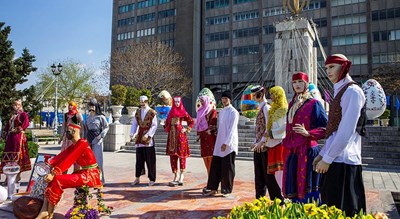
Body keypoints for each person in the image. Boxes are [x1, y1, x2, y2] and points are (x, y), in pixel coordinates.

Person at [314, 54, 366, 216]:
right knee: (330, 209)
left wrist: (327, 158)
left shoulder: (352, 91)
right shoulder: (340, 91)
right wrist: (322, 154)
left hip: (344, 162)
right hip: (335, 160)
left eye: (332, 67)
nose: (328, 71)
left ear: (343, 67)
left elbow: (346, 131)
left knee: (344, 211)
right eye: (327, 67)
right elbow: (334, 130)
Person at [35, 118, 102, 219]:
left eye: (67, 131)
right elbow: (63, 156)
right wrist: (49, 164)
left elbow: (69, 160)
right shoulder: (74, 145)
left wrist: (54, 174)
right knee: (54, 181)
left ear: (74, 131)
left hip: (90, 175)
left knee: (57, 179)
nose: (66, 133)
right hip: (83, 172)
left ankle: (49, 213)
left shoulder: (82, 143)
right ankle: (45, 210)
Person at [282, 72, 328, 203]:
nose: (297, 85)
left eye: (300, 82)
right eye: (294, 82)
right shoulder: (292, 104)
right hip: (293, 151)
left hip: (307, 151)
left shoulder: (314, 103)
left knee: (307, 188)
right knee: (293, 187)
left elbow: (326, 127)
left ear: (306, 84)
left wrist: (308, 133)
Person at [203, 91, 239, 197]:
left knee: (227, 168)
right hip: (219, 143)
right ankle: (213, 188)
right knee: (216, 167)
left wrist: (226, 143)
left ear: (230, 100)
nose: (224, 101)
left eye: (226, 99)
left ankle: (226, 189)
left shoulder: (234, 112)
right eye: (223, 99)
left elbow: (232, 129)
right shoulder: (222, 112)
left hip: (229, 145)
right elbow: (220, 128)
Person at [250, 85, 283, 200]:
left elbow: (268, 128)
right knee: (259, 176)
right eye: (253, 95)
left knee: (268, 176)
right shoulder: (260, 107)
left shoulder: (267, 108)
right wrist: (255, 142)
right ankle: (260, 200)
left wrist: (262, 142)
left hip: (266, 147)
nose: (254, 97)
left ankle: (277, 200)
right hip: (259, 146)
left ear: (262, 93)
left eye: (256, 94)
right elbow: (259, 128)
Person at [263, 86, 287, 198]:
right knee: (275, 172)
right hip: (272, 144)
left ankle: (283, 195)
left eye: (273, 94)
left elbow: (285, 127)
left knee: (280, 171)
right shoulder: (273, 109)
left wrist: (272, 133)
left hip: (279, 143)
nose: (271, 96)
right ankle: (281, 195)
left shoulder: (283, 110)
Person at [164, 96, 194, 186]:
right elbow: (166, 124)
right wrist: (165, 124)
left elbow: (191, 121)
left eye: (178, 102)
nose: (177, 104)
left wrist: (186, 129)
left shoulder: (183, 112)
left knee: (182, 156)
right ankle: (175, 174)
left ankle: (182, 175)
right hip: (172, 137)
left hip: (181, 137)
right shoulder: (170, 113)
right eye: (175, 102)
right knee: (173, 157)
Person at [0, 99, 32, 183]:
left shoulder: (23, 114)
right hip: (11, 138)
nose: (14, 107)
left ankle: (17, 176)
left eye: (15, 105)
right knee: (8, 158)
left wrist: (18, 129)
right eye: (13, 105)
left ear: (19, 105)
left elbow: (26, 123)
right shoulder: (12, 115)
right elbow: (7, 126)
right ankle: (8, 178)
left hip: (18, 137)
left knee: (17, 157)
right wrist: (4, 133)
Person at [130, 95, 158, 186]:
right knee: (139, 159)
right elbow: (134, 123)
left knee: (150, 159)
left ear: (147, 101)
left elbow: (154, 125)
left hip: (148, 139)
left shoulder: (152, 112)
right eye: (141, 102)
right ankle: (137, 177)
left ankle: (152, 178)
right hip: (139, 137)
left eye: (143, 102)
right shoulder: (137, 112)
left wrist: (148, 134)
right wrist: (132, 132)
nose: (142, 103)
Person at [84, 98, 109, 183]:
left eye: (93, 105)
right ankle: (91, 178)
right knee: (89, 161)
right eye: (90, 105)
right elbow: (86, 129)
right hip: (89, 140)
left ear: (96, 106)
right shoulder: (87, 118)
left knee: (98, 160)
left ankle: (101, 179)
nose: (91, 107)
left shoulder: (100, 117)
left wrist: (101, 136)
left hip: (97, 140)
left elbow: (106, 127)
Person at [196, 95, 217, 176]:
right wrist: (198, 134)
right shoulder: (200, 111)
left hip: (210, 137)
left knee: (211, 157)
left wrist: (210, 130)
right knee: (205, 157)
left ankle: (212, 179)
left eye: (203, 101)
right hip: (203, 137)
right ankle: (209, 177)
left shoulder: (212, 111)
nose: (202, 102)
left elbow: (213, 122)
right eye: (201, 101)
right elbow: (198, 124)